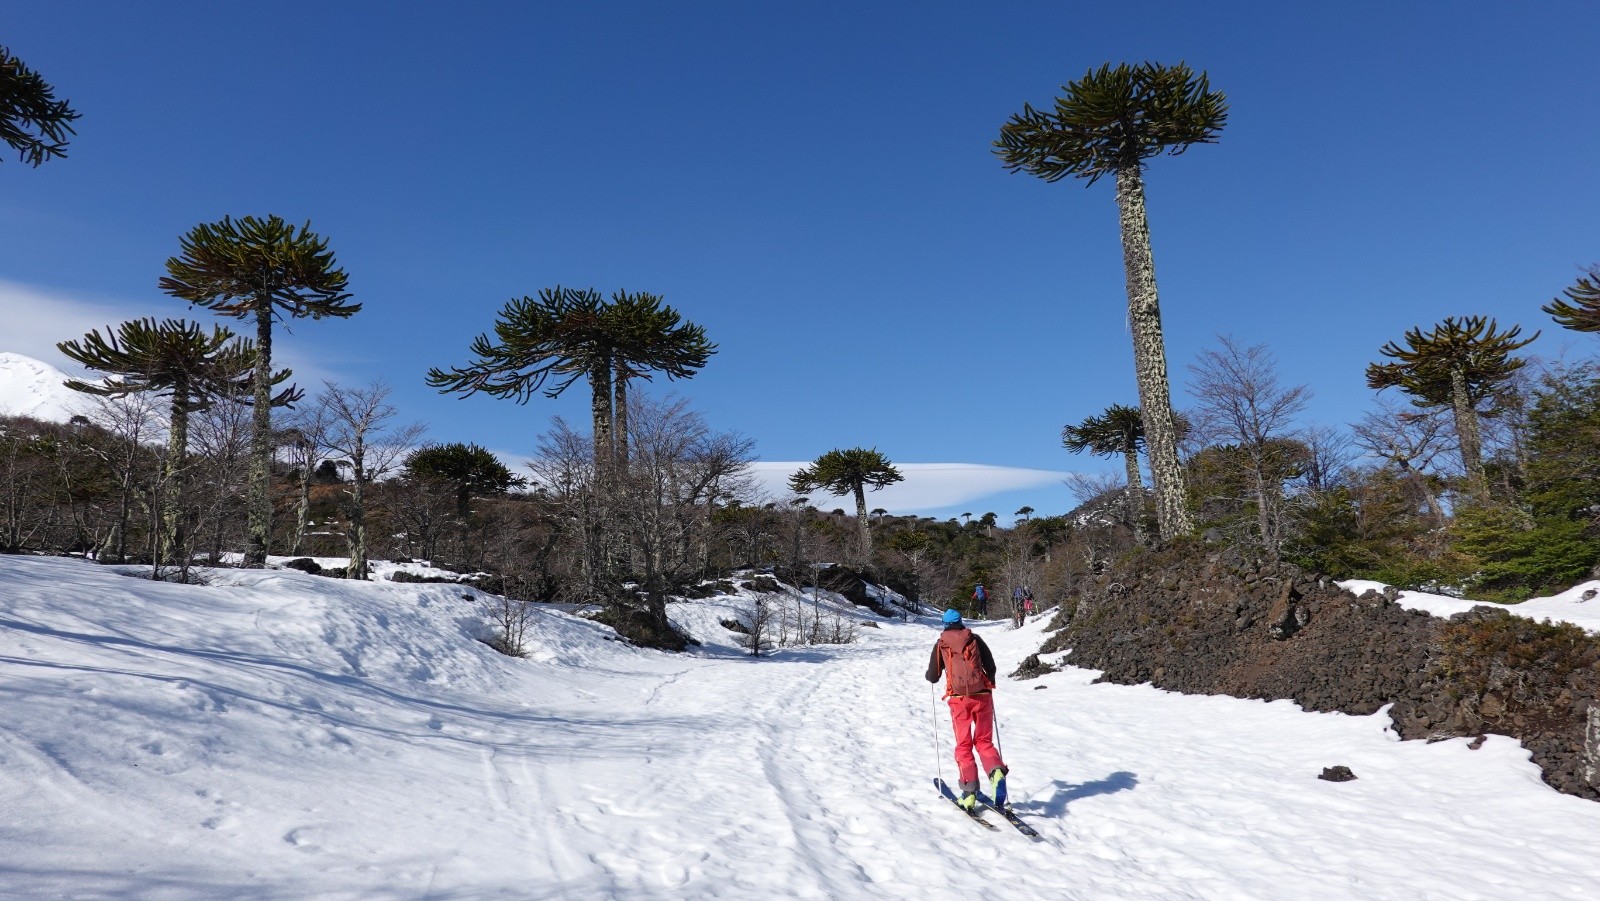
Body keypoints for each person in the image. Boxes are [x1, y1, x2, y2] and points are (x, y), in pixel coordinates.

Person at [925, 608, 1007, 810]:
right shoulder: (975, 639)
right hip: (983, 697)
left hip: (958, 699)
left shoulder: (941, 644)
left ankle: (969, 793)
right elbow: (991, 666)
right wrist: (990, 683)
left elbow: (933, 676)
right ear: (961, 622)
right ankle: (996, 771)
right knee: (984, 741)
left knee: (963, 745)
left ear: (944, 624)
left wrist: (930, 675)